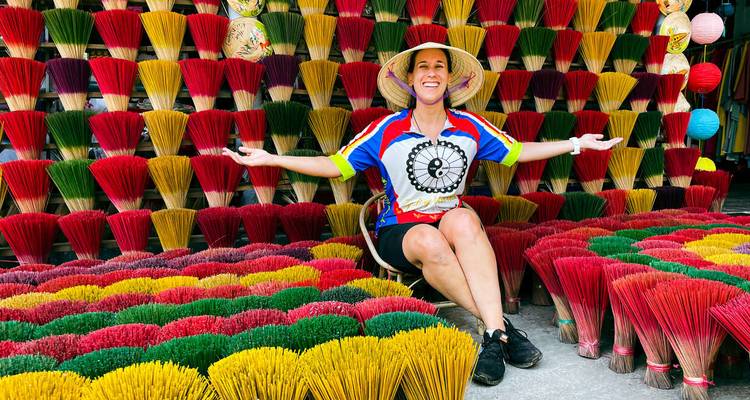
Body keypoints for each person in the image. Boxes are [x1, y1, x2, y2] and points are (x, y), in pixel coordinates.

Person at [224, 42, 622, 386]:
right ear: (410, 80)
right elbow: (334, 166)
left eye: (439, 67)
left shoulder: (470, 126)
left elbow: (517, 152)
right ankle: (502, 329)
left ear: (449, 79)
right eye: (423, 67)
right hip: (402, 231)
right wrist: (271, 159)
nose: (431, 74)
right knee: (429, 239)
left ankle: (493, 333)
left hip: (449, 222)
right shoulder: (385, 129)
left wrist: (575, 143)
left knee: (465, 218)